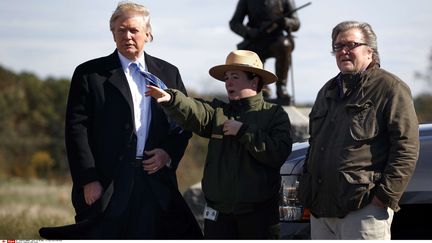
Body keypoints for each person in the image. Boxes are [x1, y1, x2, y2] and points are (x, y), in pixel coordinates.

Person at [40, 1, 202, 239]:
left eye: (133, 30)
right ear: (113, 34)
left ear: (148, 33)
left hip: (154, 182)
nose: (127, 36)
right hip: (107, 184)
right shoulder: (89, 74)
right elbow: (76, 130)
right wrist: (89, 179)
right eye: (121, 30)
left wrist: (167, 153)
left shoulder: (169, 73)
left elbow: (184, 123)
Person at [145, 50, 293, 239]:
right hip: (218, 217)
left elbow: (278, 153)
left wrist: (244, 132)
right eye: (226, 78)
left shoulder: (274, 114)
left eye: (235, 77)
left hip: (259, 218)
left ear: (254, 81)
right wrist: (173, 99)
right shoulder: (218, 111)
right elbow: (196, 110)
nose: (228, 82)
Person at [298, 21, 420, 240]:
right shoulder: (326, 91)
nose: (343, 51)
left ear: (369, 52)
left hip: (364, 208)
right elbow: (314, 145)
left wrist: (384, 198)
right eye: (338, 46)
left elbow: (406, 148)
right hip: (321, 211)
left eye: (351, 45)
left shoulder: (390, 88)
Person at [229, 0, 301, 104]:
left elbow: (296, 23)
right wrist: (249, 32)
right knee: (248, 54)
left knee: (284, 45)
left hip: (276, 39)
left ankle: (281, 87)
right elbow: (234, 23)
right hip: (256, 39)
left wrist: (285, 22)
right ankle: (261, 88)